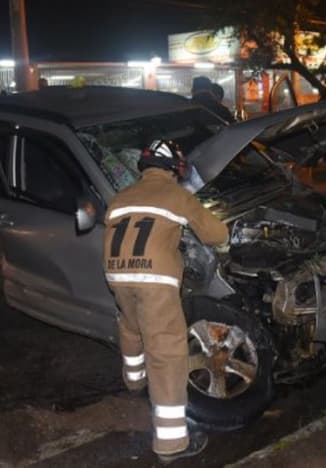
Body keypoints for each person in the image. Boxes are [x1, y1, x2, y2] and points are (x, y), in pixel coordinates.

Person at [103, 139, 229, 463]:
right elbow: (215, 233)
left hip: (116, 274)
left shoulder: (120, 197)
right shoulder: (176, 195)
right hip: (155, 278)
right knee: (167, 352)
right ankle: (171, 442)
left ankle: (133, 380)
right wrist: (225, 242)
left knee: (131, 326)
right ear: (175, 168)